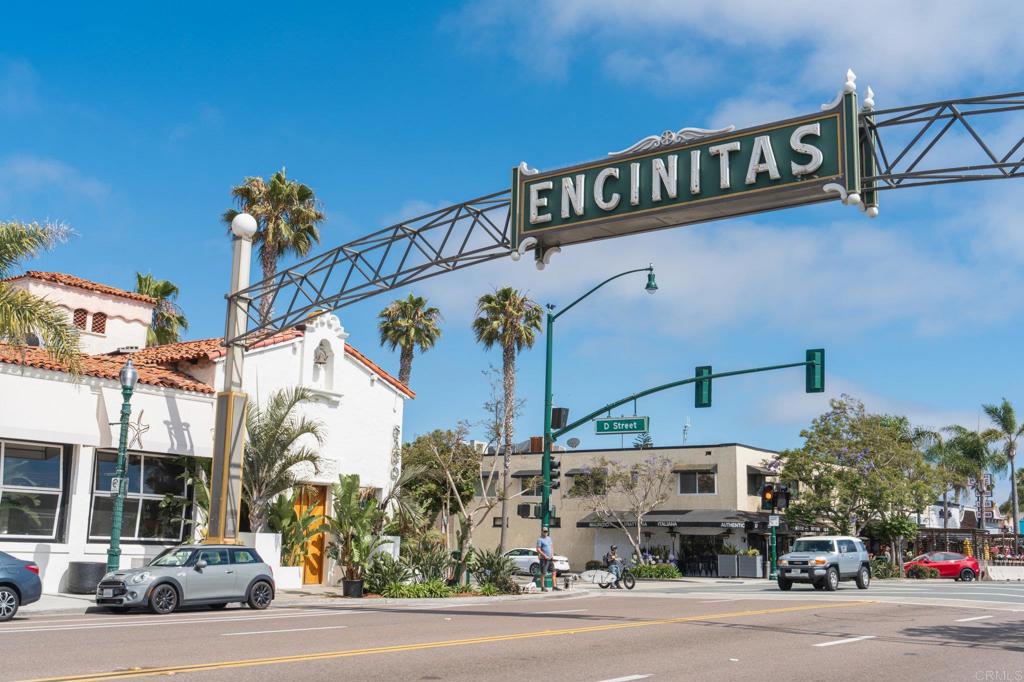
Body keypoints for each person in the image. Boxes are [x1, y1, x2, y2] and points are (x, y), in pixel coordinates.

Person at [536, 526, 560, 592]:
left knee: (554, 572)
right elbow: (538, 549)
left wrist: (552, 554)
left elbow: (551, 547)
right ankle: (542, 587)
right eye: (544, 531)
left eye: (546, 531)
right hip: (544, 559)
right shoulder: (540, 539)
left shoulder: (549, 538)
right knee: (543, 573)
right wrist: (544, 555)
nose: (545, 532)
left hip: (550, 559)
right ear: (542, 532)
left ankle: (554, 586)